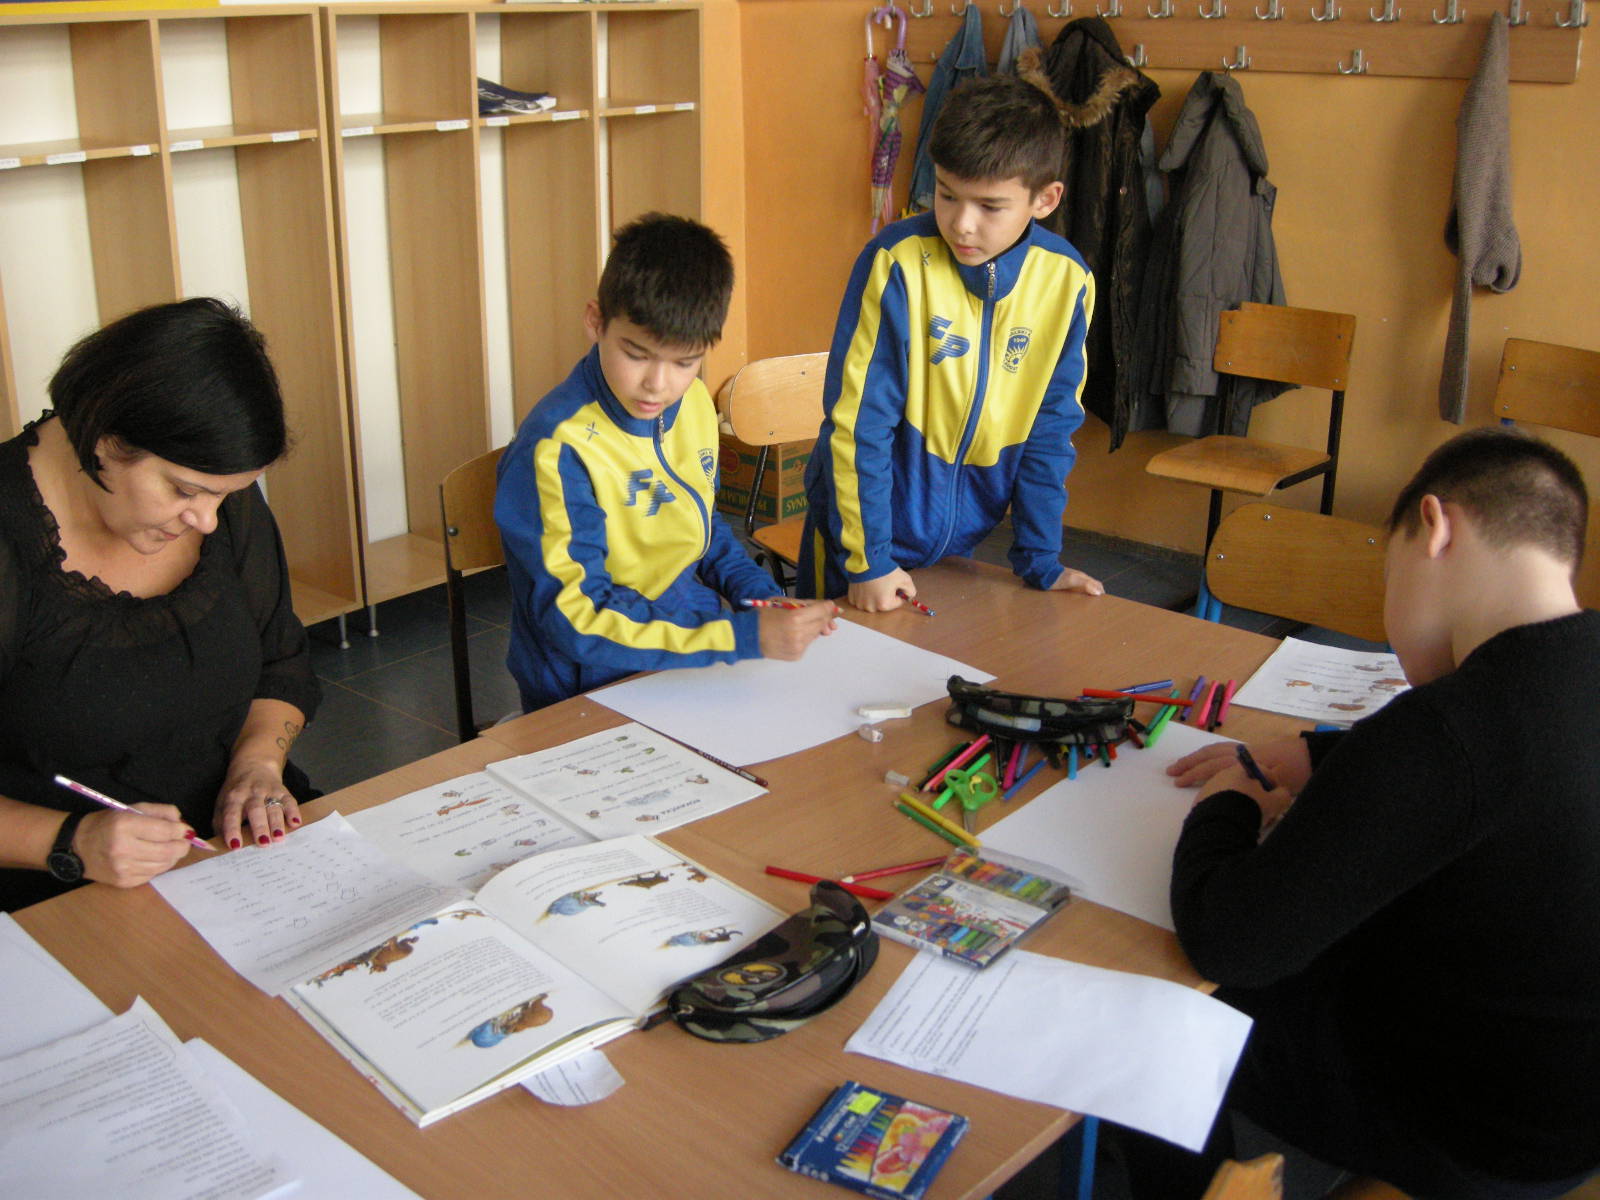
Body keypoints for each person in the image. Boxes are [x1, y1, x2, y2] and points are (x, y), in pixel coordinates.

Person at [1133, 428, 1600, 1198]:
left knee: (1152, 1007)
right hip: (1567, 1095)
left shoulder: (1447, 730)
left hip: (1479, 1133)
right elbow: (1516, 766)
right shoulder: (1561, 672)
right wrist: (1320, 753)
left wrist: (1227, 808)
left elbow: (1228, 943)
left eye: (1391, 571)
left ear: (1435, 528)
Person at [0, 298, 322, 912]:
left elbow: (280, 661)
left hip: (232, 854)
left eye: (225, 496)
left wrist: (258, 763)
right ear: (105, 440)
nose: (207, 519)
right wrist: (70, 840)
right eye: (183, 491)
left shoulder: (215, 498)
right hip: (55, 890)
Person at [495, 213, 837, 713]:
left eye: (684, 361)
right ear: (595, 321)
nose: (658, 385)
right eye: (636, 354)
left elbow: (701, 527)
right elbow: (577, 621)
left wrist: (760, 597)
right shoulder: (557, 447)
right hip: (587, 683)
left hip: (679, 649)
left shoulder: (693, 402)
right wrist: (738, 636)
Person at [797, 73, 1106, 611]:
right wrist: (868, 560)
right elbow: (860, 422)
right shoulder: (896, 262)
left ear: (1045, 199)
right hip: (857, 538)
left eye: (990, 206)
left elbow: (1049, 432)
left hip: (956, 547)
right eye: (946, 194)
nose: (961, 224)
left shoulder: (1067, 281)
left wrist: (1041, 561)